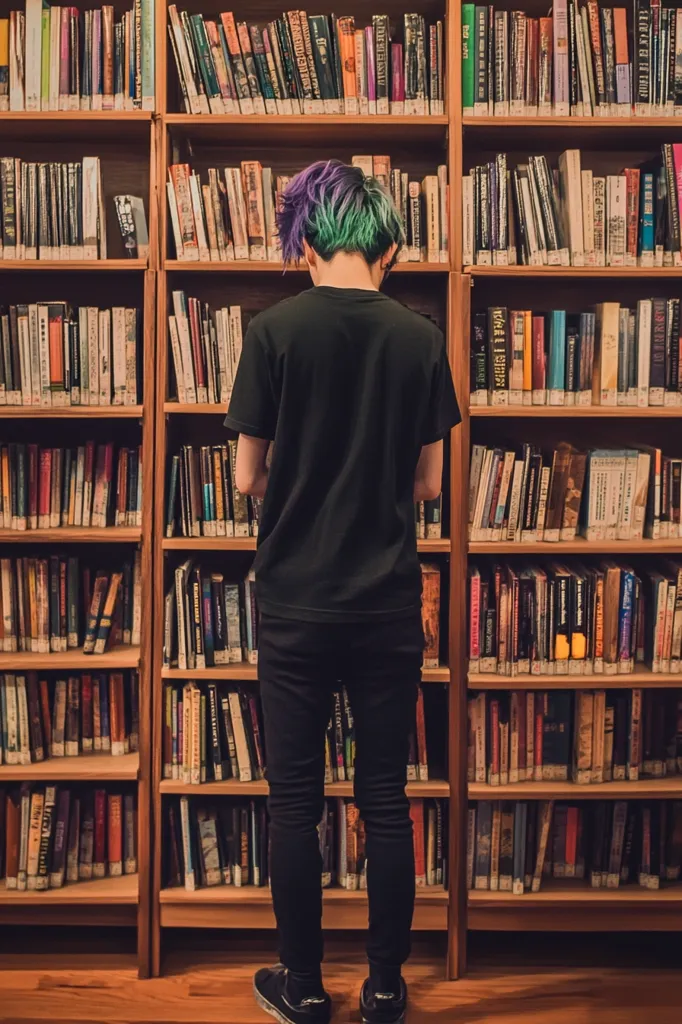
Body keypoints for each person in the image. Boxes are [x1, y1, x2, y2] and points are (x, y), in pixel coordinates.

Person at [224, 159, 460, 1024]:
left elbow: (249, 477)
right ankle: (389, 987)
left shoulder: (273, 332)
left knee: (295, 800)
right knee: (385, 798)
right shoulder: (420, 337)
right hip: (388, 602)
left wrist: (302, 463)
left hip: (293, 601)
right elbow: (429, 487)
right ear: (388, 245)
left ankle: (304, 986)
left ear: (307, 242)